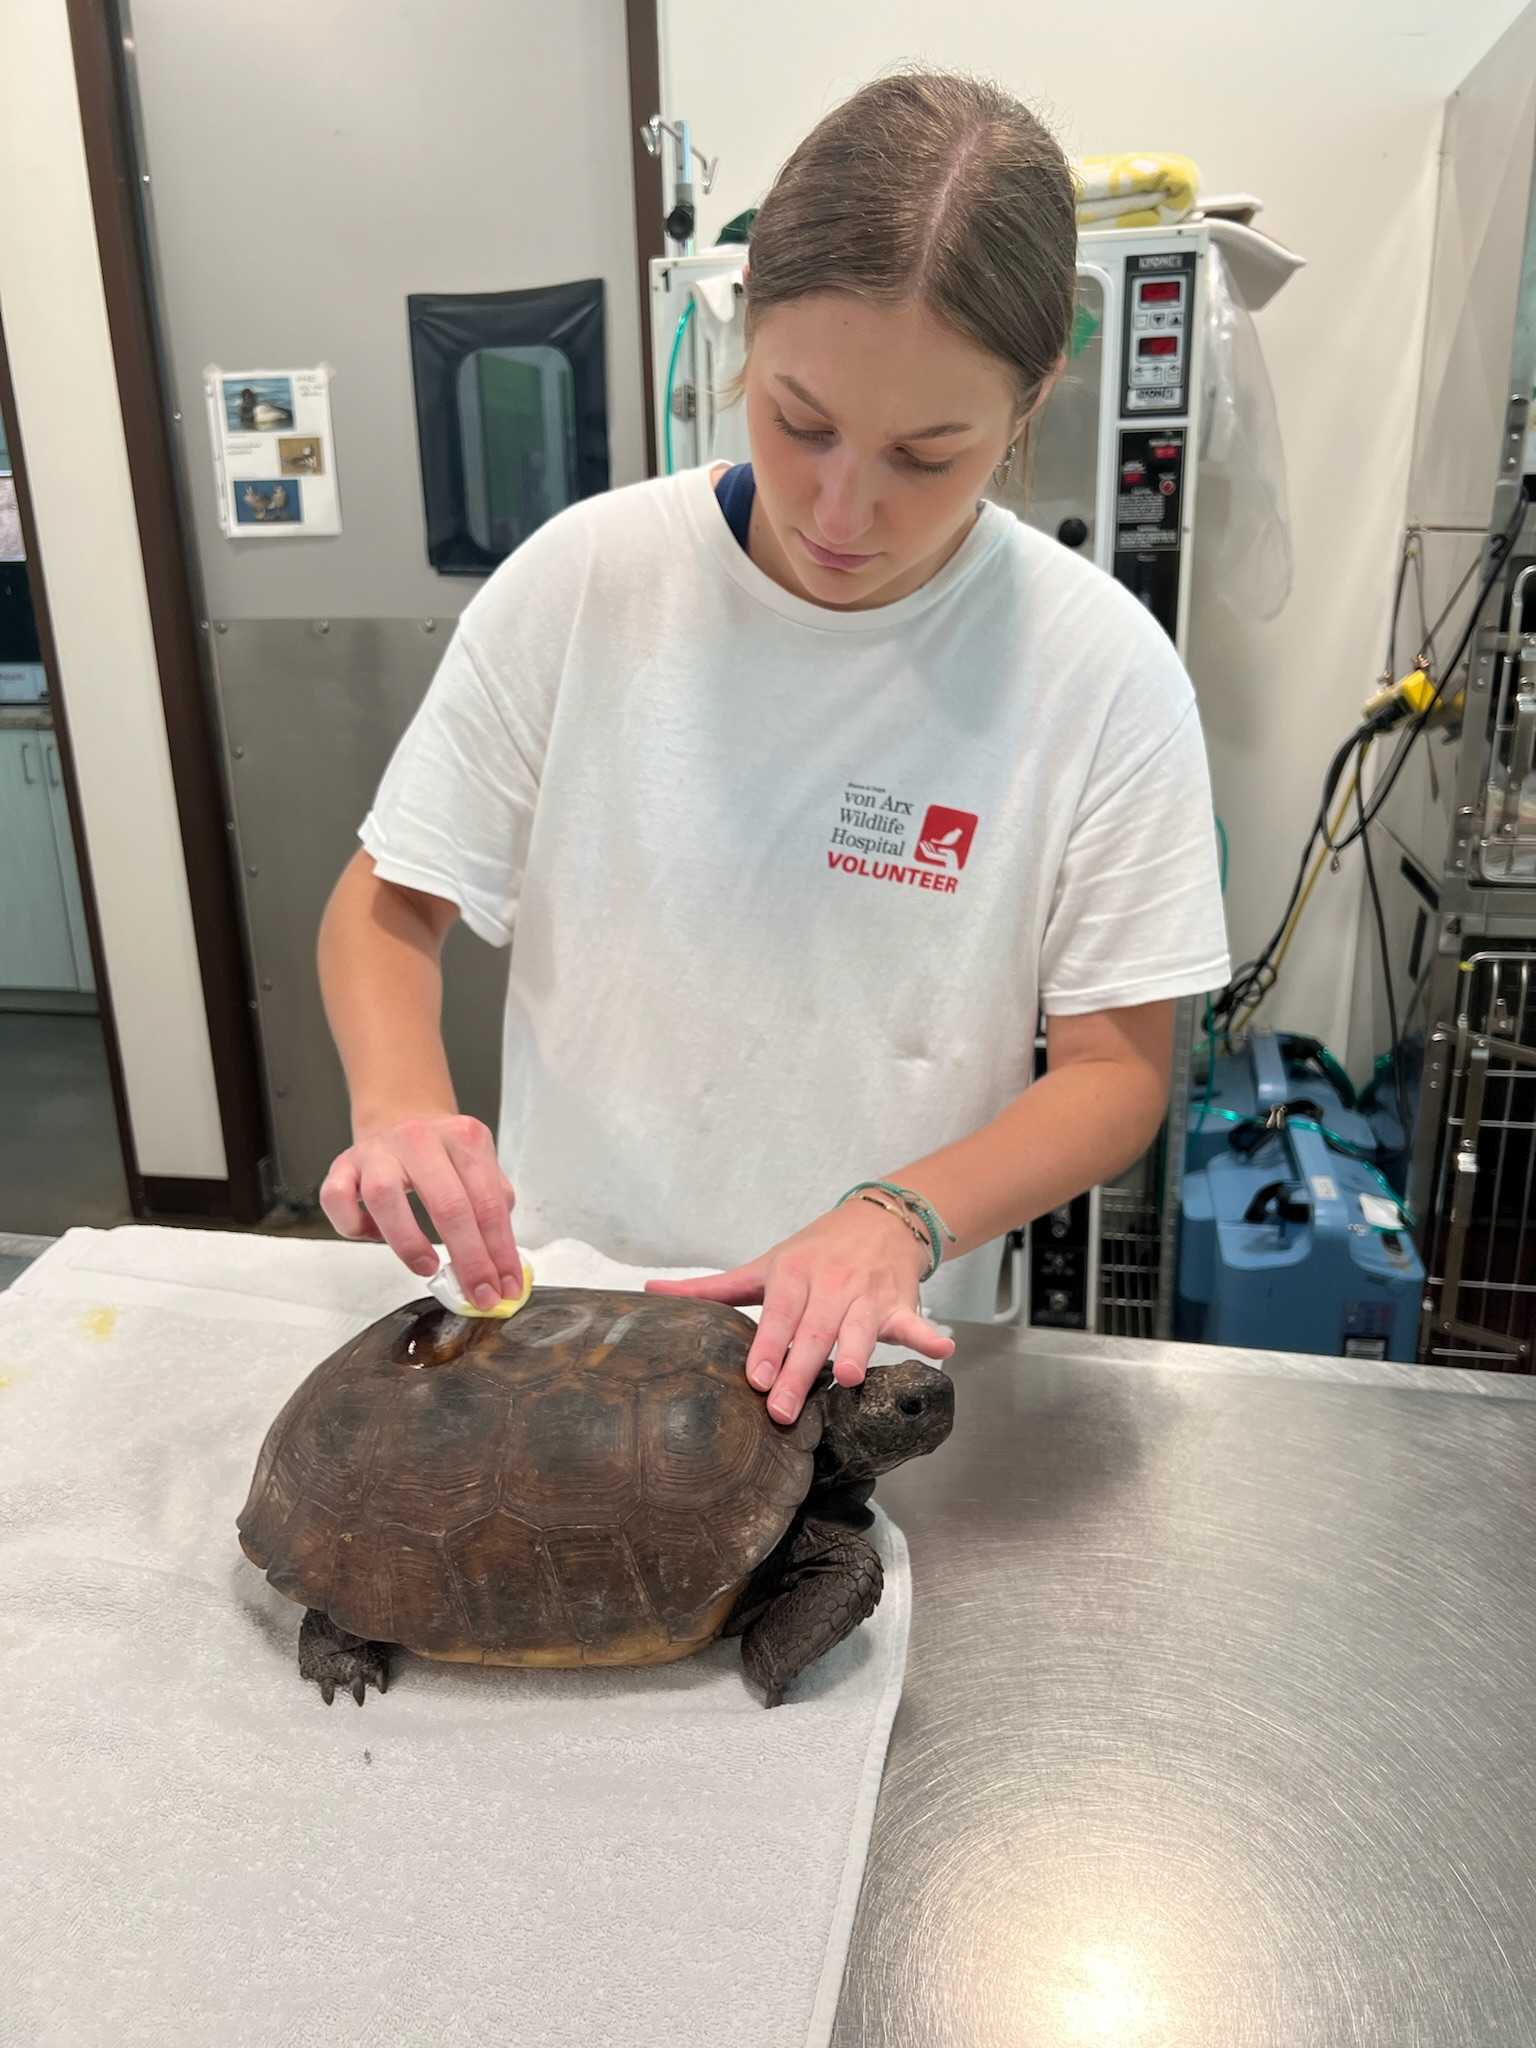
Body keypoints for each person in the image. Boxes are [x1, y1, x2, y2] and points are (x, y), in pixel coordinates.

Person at [317, 70, 1229, 1426]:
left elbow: (1114, 1074)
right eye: (801, 422)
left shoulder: (1098, 672)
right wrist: (399, 1102)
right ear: (744, 327)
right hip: (573, 1315)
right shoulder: (591, 579)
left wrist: (903, 1213)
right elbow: (389, 904)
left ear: (1033, 397)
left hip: (875, 1352)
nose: (842, 508)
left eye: (929, 455)